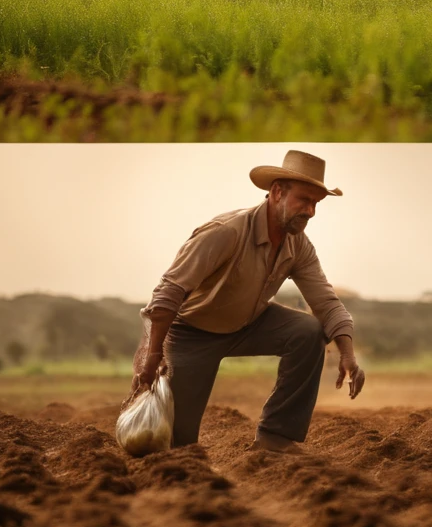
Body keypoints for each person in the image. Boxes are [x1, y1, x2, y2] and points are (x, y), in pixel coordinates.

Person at [131, 149, 365, 454]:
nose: (310, 211)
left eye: (315, 204)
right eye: (304, 201)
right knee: (176, 446)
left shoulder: (299, 246)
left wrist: (347, 353)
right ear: (277, 192)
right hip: (191, 333)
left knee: (308, 330)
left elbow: (327, 303)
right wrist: (152, 355)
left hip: (249, 323)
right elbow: (169, 292)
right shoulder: (225, 232)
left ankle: (275, 438)